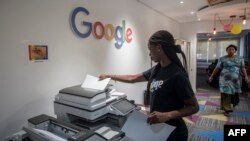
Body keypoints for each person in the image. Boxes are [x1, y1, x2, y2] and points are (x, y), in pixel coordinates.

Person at [99, 30, 199, 141]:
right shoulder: (157, 69)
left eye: (150, 49)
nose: (149, 54)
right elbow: (132, 78)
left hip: (174, 132)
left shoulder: (177, 75)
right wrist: (109, 76)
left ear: (159, 48)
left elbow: (194, 107)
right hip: (158, 128)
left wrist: (167, 115)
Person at [208, 44, 249, 116]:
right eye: (229, 49)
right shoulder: (222, 58)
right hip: (224, 80)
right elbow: (217, 68)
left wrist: (246, 76)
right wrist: (211, 76)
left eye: (232, 49)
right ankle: (227, 109)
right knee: (226, 93)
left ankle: (232, 104)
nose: (231, 50)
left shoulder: (240, 58)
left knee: (234, 93)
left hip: (235, 80)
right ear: (226, 50)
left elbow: (243, 68)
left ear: (235, 51)